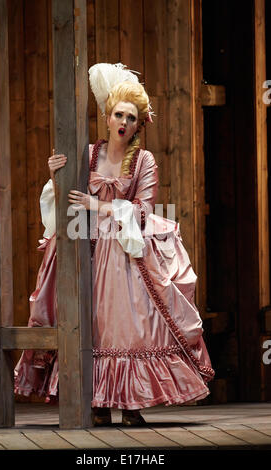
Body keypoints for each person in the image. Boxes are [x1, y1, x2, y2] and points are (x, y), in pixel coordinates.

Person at [14, 63, 214, 426]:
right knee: (89, 324)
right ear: (108, 117)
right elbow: (65, 200)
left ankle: (131, 401)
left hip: (124, 254)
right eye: (119, 114)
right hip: (85, 250)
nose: (124, 122)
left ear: (139, 125)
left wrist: (98, 205)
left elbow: (141, 211)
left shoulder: (143, 161)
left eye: (132, 118)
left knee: (127, 327)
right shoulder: (88, 154)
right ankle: (98, 402)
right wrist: (54, 172)